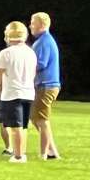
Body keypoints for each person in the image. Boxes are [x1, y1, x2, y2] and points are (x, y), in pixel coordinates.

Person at [0, 21, 37, 163]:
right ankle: (22, 152)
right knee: (23, 126)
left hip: (12, 94)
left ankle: (18, 156)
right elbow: (33, 74)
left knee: (15, 127)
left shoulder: (6, 53)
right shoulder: (30, 52)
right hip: (28, 92)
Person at [29, 11, 62, 160]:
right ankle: (51, 150)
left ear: (41, 25)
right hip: (44, 85)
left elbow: (40, 64)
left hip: (46, 85)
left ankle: (47, 153)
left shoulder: (44, 41)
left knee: (41, 119)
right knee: (35, 118)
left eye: (33, 23)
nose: (30, 26)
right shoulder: (44, 41)